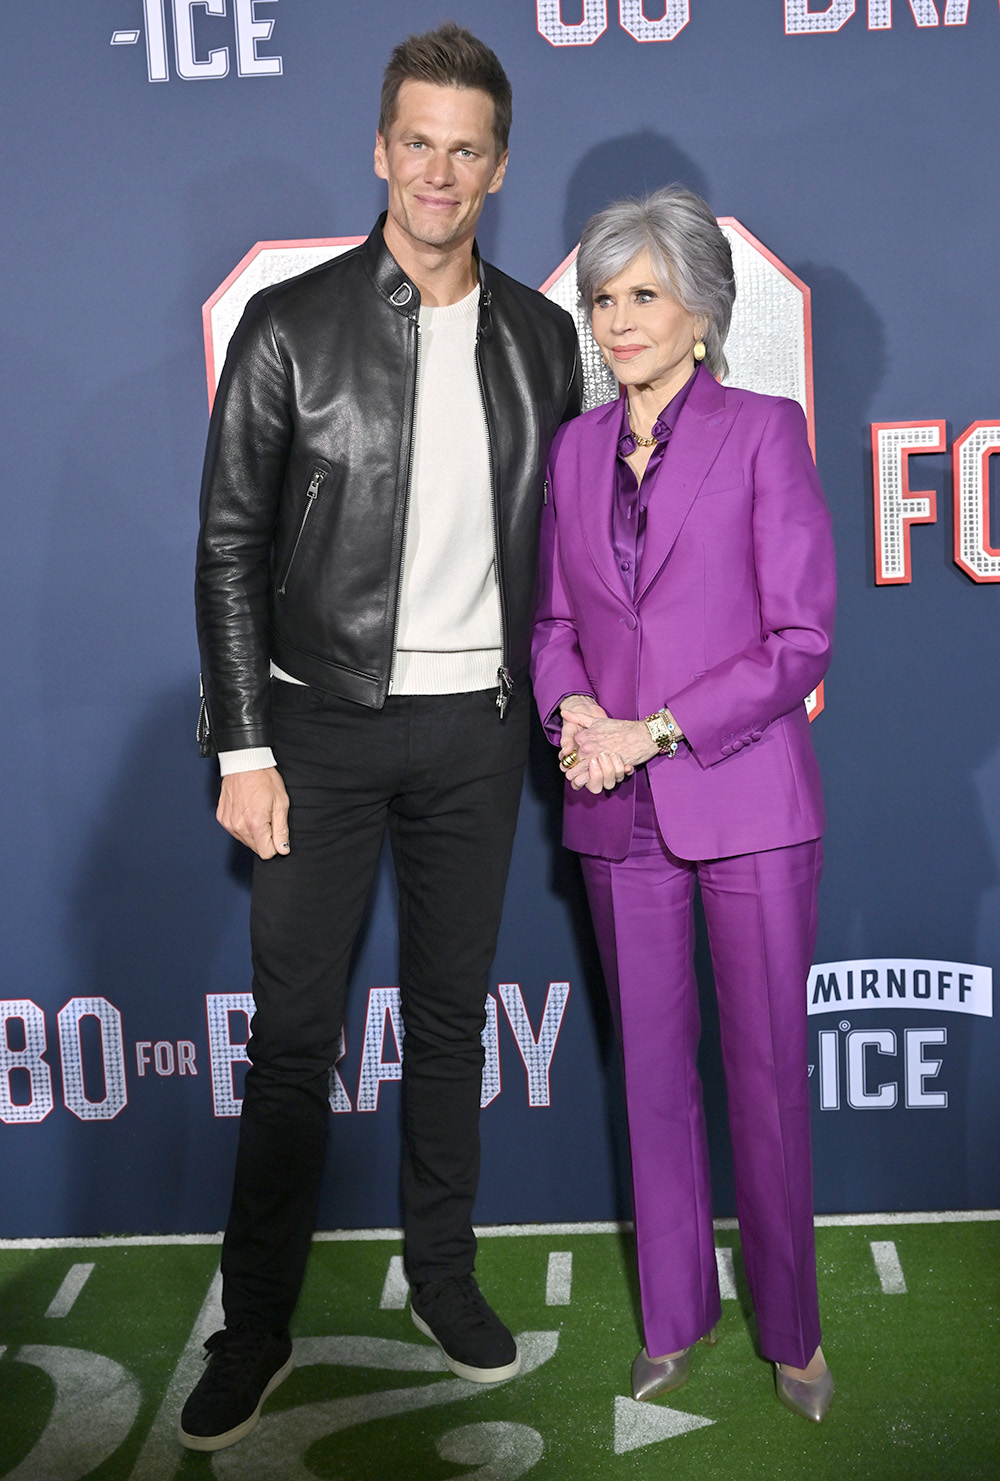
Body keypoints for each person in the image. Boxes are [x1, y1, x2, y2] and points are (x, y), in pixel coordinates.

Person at [186, 23, 581, 1452]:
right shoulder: (292, 326)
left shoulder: (545, 339)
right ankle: (258, 1323)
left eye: (467, 147)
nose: (440, 169)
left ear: (497, 167)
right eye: (418, 140)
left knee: (450, 1020)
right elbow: (229, 548)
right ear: (379, 150)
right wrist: (244, 748)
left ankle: (445, 1278)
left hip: (475, 736)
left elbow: (585, 555)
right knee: (292, 1040)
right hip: (316, 730)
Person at [531, 186, 836, 1422]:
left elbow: (800, 639)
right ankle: (672, 1316)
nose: (618, 321)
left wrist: (649, 729)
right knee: (651, 1077)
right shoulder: (569, 450)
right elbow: (554, 627)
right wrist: (573, 722)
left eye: (643, 296)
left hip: (746, 805)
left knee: (764, 1080)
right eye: (603, 299)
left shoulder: (765, 432)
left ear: (701, 313)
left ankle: (794, 1333)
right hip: (618, 819)